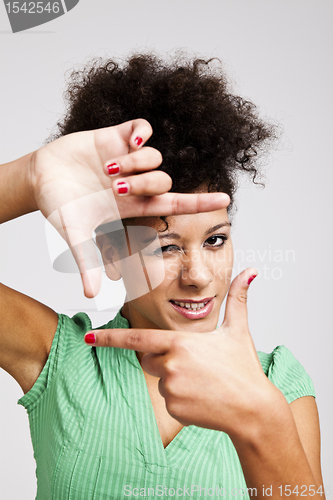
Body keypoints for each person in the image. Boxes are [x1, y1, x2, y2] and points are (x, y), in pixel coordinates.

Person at [0, 53, 325, 499]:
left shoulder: (278, 383)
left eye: (215, 241)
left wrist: (261, 419)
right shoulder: (60, 359)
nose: (198, 276)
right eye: (167, 247)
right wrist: (26, 178)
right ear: (112, 254)